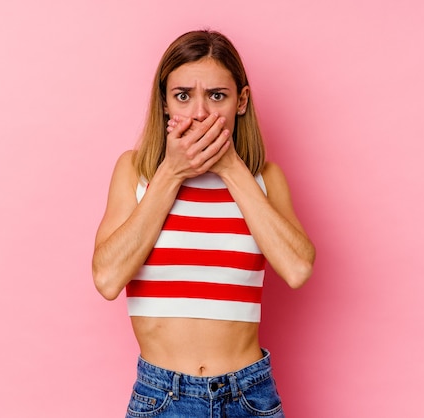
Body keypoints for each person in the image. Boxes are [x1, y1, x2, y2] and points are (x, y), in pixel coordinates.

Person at [92, 29, 315, 417]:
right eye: (183, 96)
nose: (200, 112)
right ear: (164, 102)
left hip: (250, 395)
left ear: (241, 101)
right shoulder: (135, 172)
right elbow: (108, 278)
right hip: (162, 397)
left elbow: (297, 269)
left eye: (217, 96)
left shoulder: (265, 178)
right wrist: (171, 174)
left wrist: (231, 168)